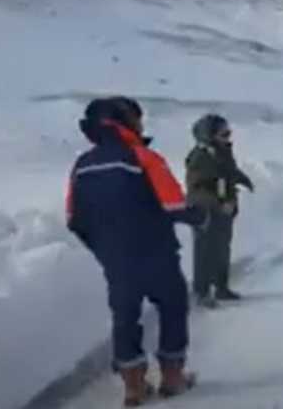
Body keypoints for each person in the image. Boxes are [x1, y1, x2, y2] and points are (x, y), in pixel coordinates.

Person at [66, 97, 205, 406]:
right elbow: (173, 205)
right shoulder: (143, 157)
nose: (141, 124)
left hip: (116, 260)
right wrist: (197, 215)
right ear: (123, 121)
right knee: (172, 308)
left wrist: (104, 249)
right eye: (137, 118)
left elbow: (74, 219)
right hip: (157, 254)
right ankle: (172, 378)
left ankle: (134, 387)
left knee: (125, 317)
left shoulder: (82, 166)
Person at [185, 114, 254, 308]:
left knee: (222, 249)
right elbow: (197, 186)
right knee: (204, 252)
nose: (228, 136)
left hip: (225, 210)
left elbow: (230, 172)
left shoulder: (223, 152)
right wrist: (218, 203)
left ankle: (221, 288)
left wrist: (244, 180)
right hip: (204, 210)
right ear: (210, 135)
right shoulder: (199, 156)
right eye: (223, 132)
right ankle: (201, 292)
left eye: (228, 132)